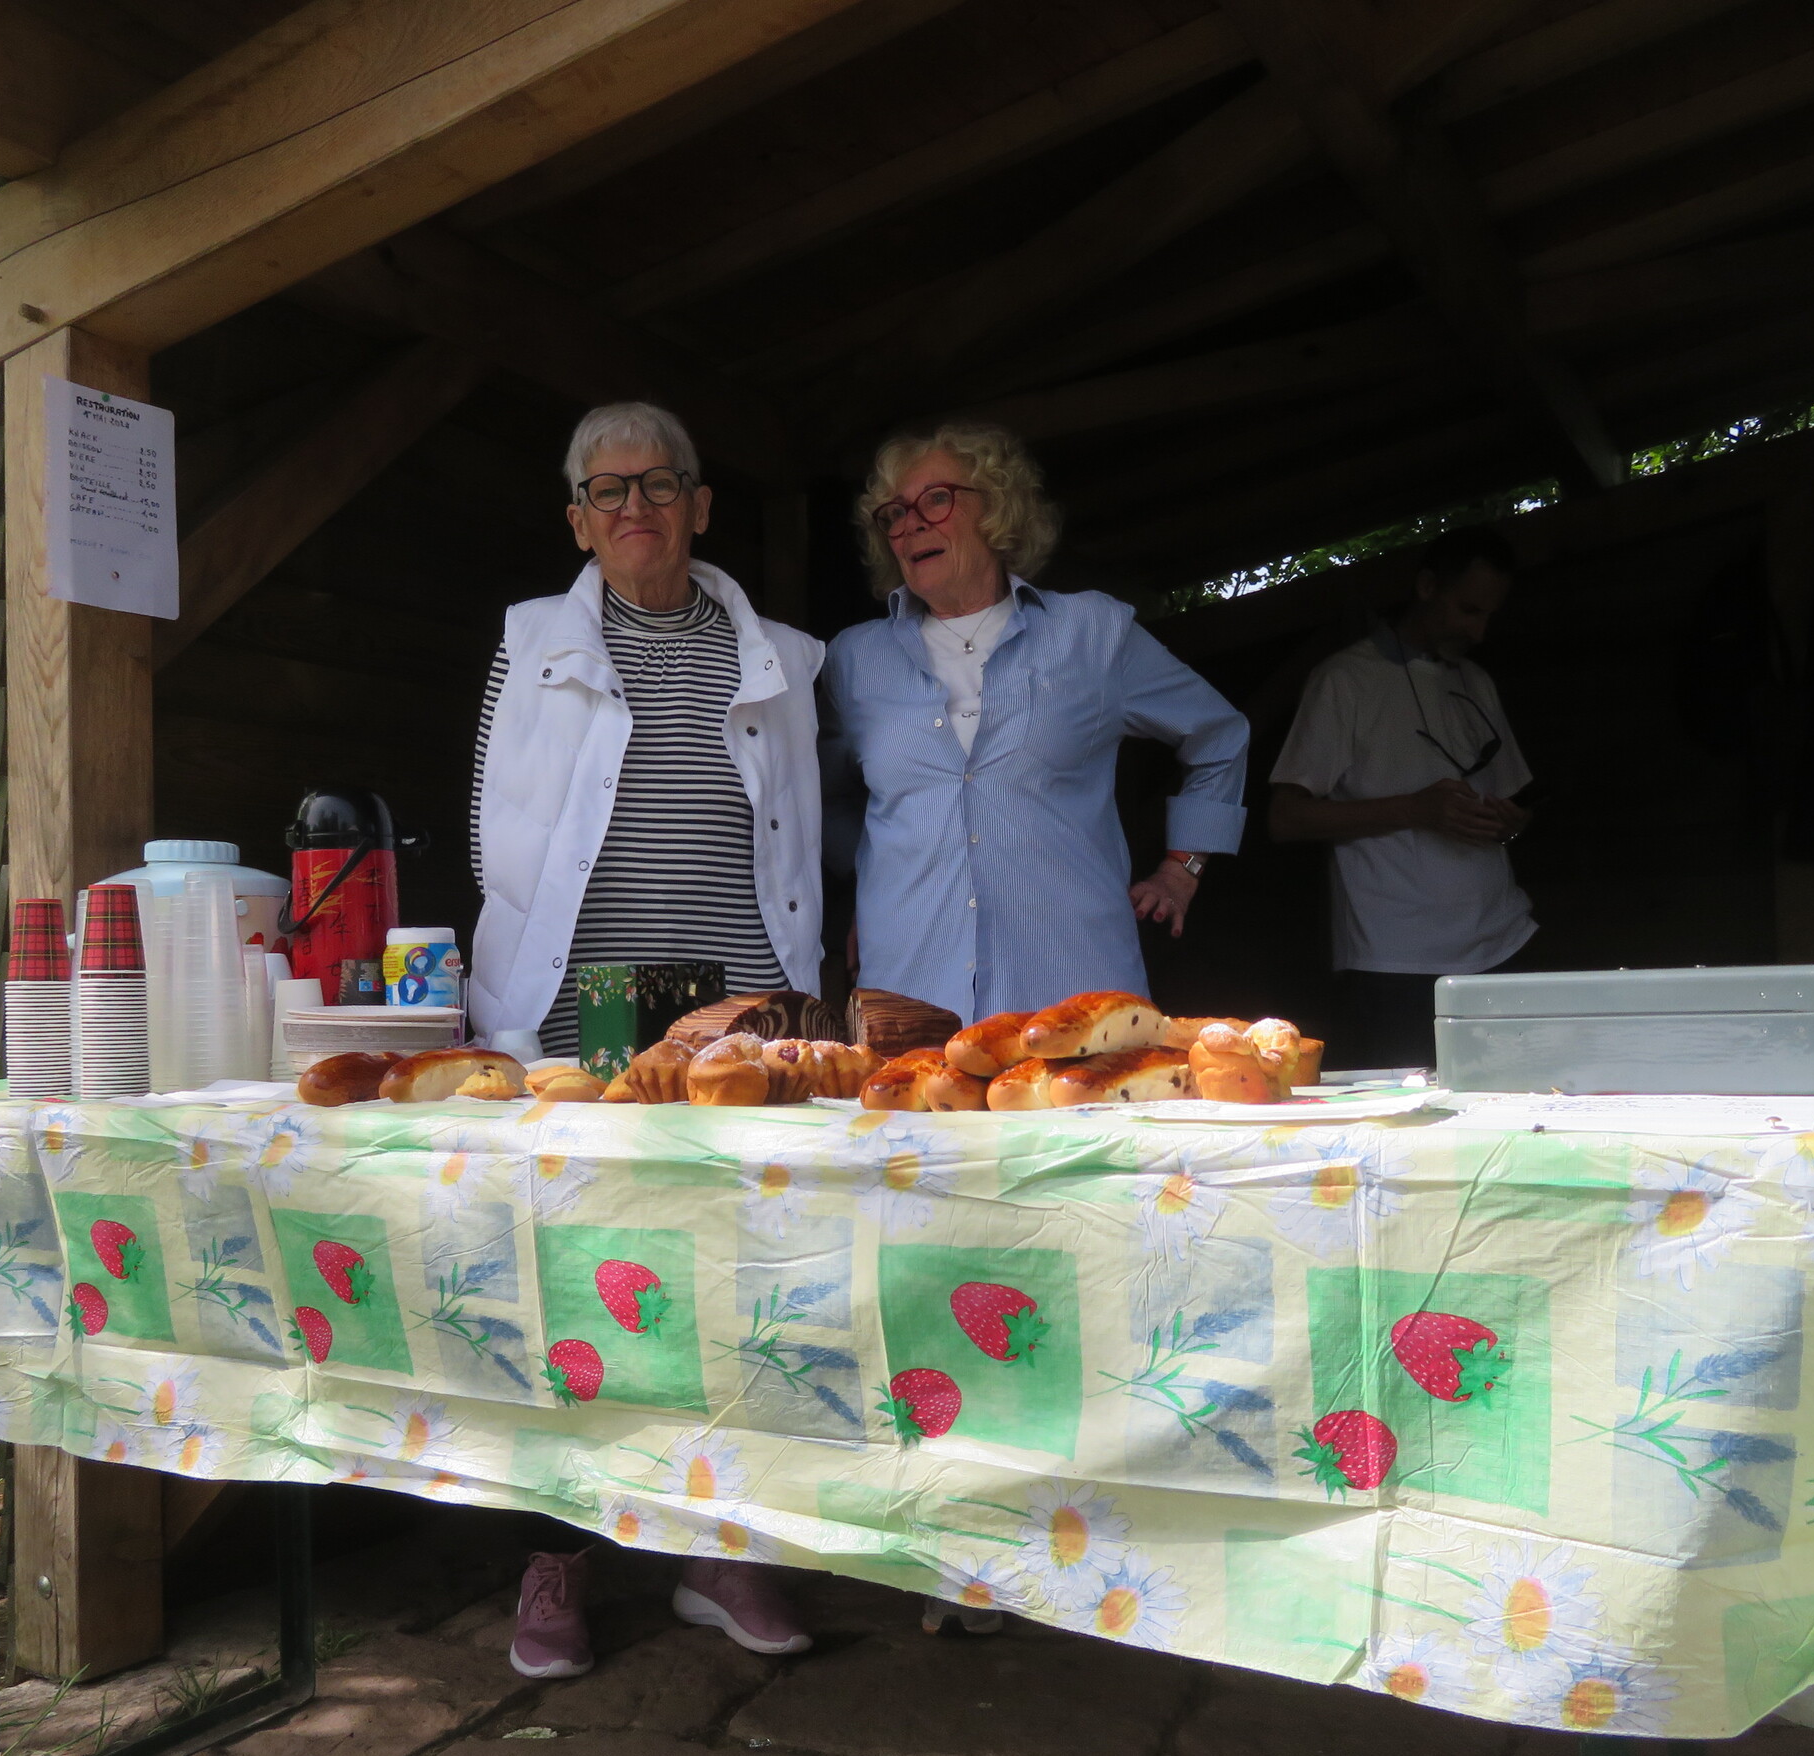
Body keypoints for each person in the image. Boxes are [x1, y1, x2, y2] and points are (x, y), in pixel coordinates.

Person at [468, 400, 820, 1679]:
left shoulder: (784, 656)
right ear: (577, 518)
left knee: (736, 1272)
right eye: (606, 491)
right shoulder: (532, 642)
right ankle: (557, 1554)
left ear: (699, 505)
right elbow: (496, 828)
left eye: (658, 485)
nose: (634, 509)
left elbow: (796, 835)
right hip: (589, 1008)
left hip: (736, 1007)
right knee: (572, 1276)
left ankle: (718, 1548)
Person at [822, 423, 1248, 1022]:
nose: (910, 524)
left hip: (1075, 993)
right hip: (909, 997)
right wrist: (877, 889)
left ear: (997, 509)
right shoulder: (853, 661)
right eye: (893, 514)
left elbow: (1219, 736)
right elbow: (822, 797)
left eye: (936, 500)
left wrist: (1183, 868)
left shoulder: (1093, 634)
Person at [1265, 527, 1535, 1071]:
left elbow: (1515, 804)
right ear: (1427, 586)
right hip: (1396, 961)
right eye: (1468, 610)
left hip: (1501, 942)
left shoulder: (1476, 680)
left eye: (1489, 615)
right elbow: (1285, 818)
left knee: (1517, 1099)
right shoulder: (1345, 679)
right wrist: (1415, 809)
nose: (1479, 631)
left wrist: (1511, 822)